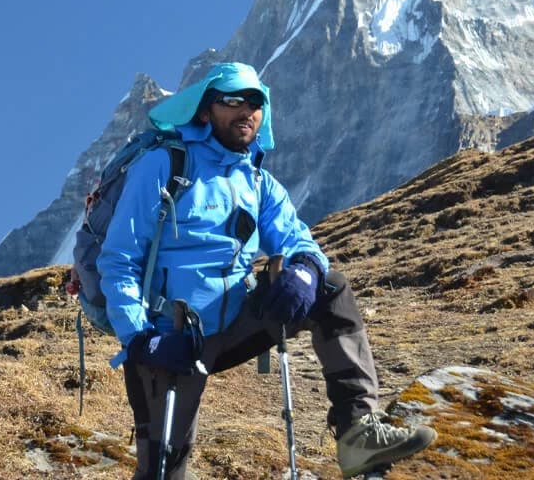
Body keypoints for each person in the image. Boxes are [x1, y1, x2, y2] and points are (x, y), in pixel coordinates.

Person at [97, 62, 436, 479]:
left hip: (235, 320)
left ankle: (358, 435)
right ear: (205, 112)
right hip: (168, 338)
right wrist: (141, 338)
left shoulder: (259, 182)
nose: (246, 110)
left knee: (330, 288)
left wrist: (305, 271)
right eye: (232, 100)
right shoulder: (164, 167)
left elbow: (299, 241)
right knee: (165, 469)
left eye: (255, 101)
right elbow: (119, 260)